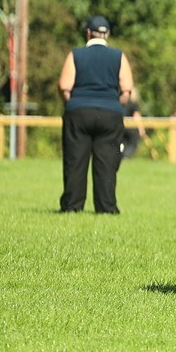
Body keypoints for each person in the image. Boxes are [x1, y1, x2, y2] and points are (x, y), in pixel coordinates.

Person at [58, 15, 134, 213]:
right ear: (107, 34)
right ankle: (106, 207)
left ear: (88, 33)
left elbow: (65, 86)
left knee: (75, 160)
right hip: (110, 112)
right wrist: (115, 106)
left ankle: (72, 206)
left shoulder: (76, 54)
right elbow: (126, 89)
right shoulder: (118, 56)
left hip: (79, 111)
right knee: (107, 162)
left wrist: (73, 104)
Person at [120, 87, 148, 161]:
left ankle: (121, 155)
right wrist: (141, 128)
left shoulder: (120, 101)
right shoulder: (133, 103)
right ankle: (126, 156)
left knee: (122, 141)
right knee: (133, 141)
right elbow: (136, 116)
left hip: (119, 125)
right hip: (130, 127)